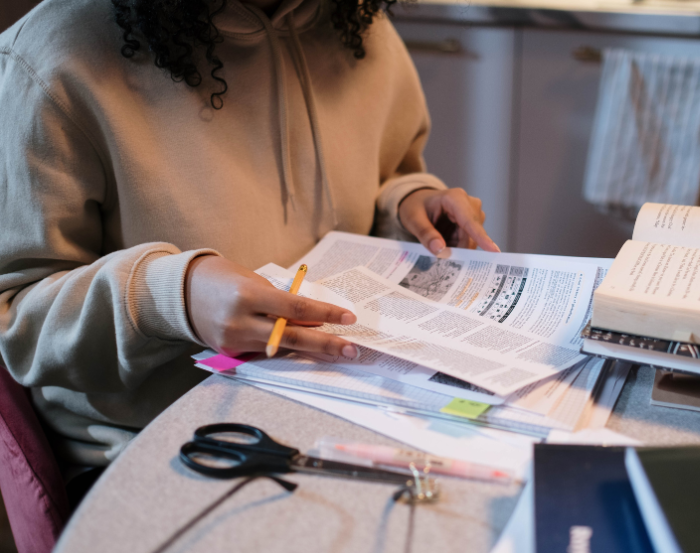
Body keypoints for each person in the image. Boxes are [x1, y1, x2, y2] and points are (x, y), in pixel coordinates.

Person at [0, 0, 498, 470]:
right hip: (165, 443)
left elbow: (381, 179)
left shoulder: (356, 24)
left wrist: (408, 205)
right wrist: (172, 298)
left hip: (345, 399)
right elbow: (17, 322)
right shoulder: (51, 59)